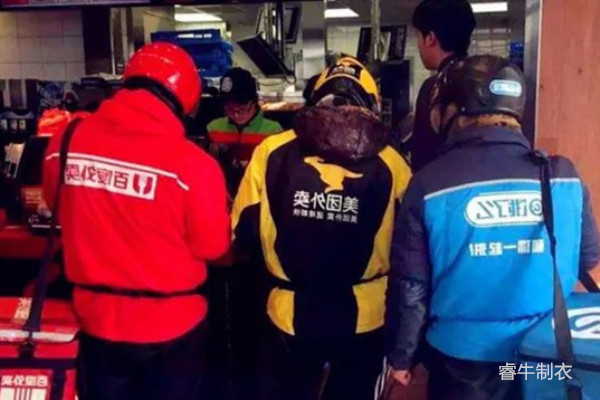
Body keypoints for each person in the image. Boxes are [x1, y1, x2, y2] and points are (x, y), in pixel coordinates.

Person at [385, 55, 600, 400]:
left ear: (453, 110)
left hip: (463, 362)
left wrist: (401, 357)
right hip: (544, 354)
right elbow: (588, 257)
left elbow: (411, 287)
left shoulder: (428, 183)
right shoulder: (562, 175)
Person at [43, 42, 230, 400]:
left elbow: (58, 205)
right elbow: (213, 246)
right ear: (186, 101)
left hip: (93, 323)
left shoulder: (65, 140)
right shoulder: (195, 166)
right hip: (173, 329)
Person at [232, 56, 412, 400]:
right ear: (372, 106)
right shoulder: (393, 164)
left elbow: (244, 232)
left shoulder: (271, 151)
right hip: (365, 317)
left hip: (288, 314)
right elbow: (411, 252)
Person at [409, 0, 476, 171]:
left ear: (430, 38)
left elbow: (421, 159)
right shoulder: (481, 80)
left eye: (418, 37)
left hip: (445, 183)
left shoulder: (433, 87)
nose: (418, 45)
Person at [207, 67, 283, 195]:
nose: (236, 114)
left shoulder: (273, 131)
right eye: (230, 108)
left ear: (254, 102)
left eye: (241, 108)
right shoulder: (213, 129)